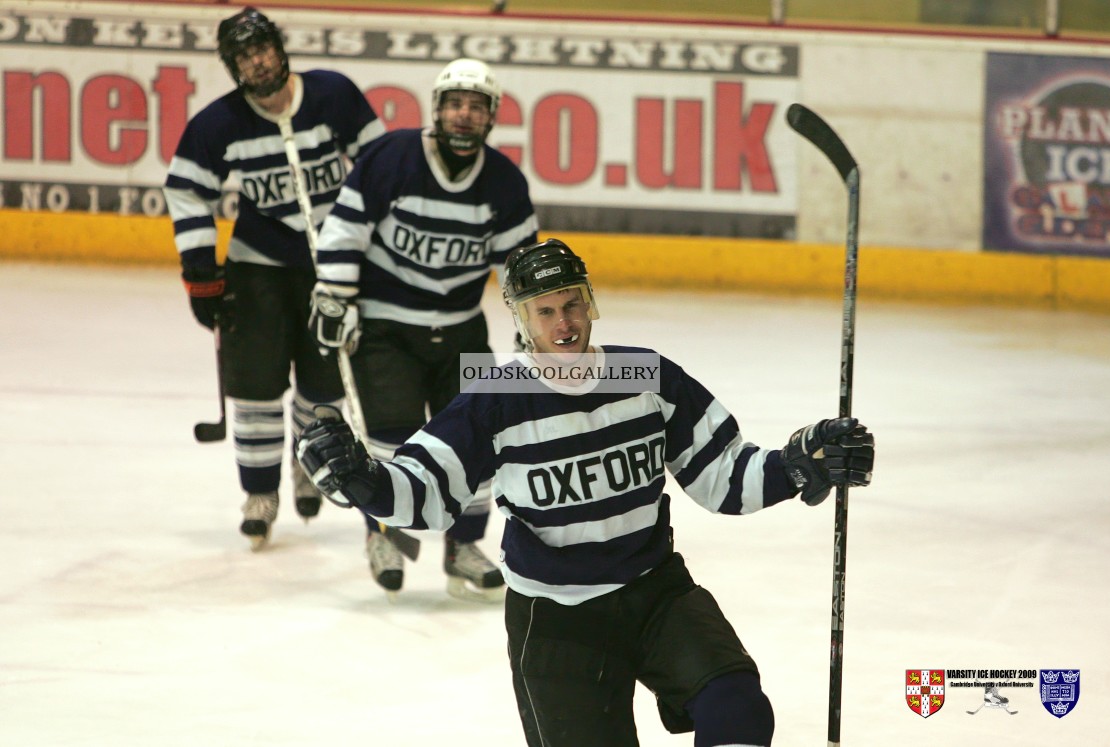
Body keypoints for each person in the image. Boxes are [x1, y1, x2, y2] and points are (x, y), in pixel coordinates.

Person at [296, 238, 876, 745]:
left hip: (656, 594)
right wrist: (365, 481)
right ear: (523, 320)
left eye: (571, 303)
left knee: (738, 709)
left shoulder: (644, 374)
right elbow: (424, 490)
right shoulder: (494, 393)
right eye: (545, 311)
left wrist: (800, 464)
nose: (563, 322)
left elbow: (723, 475)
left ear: (589, 301)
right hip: (556, 620)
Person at [309, 58, 539, 601]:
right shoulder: (390, 157)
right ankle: (383, 531)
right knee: (391, 435)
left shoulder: (504, 182)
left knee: (481, 434)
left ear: (490, 118)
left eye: (476, 107)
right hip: (387, 326)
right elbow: (345, 229)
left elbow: (521, 265)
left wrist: (530, 327)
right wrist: (336, 296)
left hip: (461, 329)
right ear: (437, 109)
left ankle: (463, 546)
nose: (464, 115)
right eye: (455, 104)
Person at [164, 7, 385, 550]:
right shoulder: (221, 122)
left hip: (333, 266)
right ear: (232, 67)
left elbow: (380, 167)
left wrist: (376, 251)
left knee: (324, 380)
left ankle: (307, 463)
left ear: (280, 49)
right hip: (257, 266)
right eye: (243, 56)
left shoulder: (333, 95)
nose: (257, 62)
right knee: (256, 386)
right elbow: (187, 188)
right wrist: (199, 268)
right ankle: (259, 494)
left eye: (262, 49)